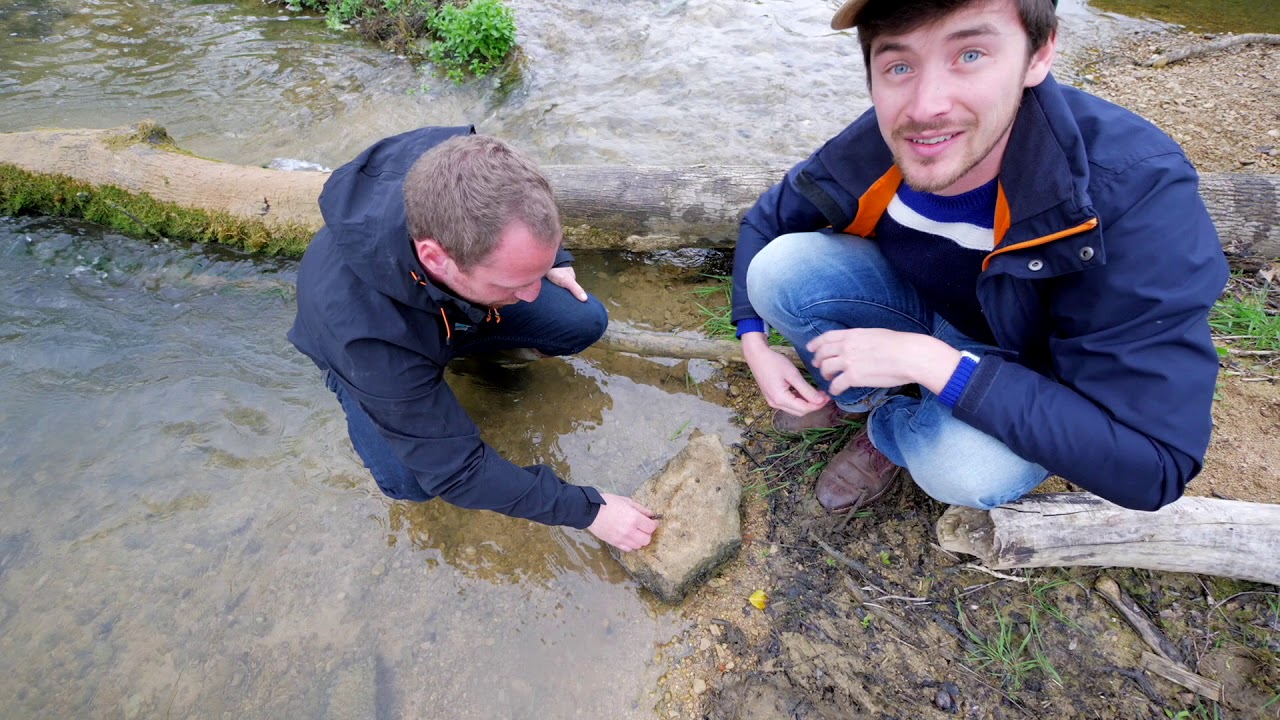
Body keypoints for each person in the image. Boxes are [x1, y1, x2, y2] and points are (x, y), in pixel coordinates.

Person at [732, 0, 1227, 514]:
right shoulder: (889, 137)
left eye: (969, 54)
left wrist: (932, 364)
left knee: (968, 471)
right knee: (778, 268)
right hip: (931, 310)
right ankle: (864, 395)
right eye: (899, 66)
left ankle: (889, 431)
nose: (925, 107)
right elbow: (769, 219)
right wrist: (754, 341)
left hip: (1028, 372)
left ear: (1039, 54)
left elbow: (1154, 466)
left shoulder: (1134, 191)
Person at [289, 127, 658, 552]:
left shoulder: (456, 161)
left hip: (445, 300)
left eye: (534, 278)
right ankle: (383, 387)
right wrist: (590, 511)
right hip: (371, 347)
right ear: (436, 259)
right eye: (516, 282)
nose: (534, 293)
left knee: (582, 319)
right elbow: (458, 474)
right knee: (411, 481)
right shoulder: (367, 340)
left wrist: (551, 259)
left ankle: (472, 340)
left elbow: (523, 199)